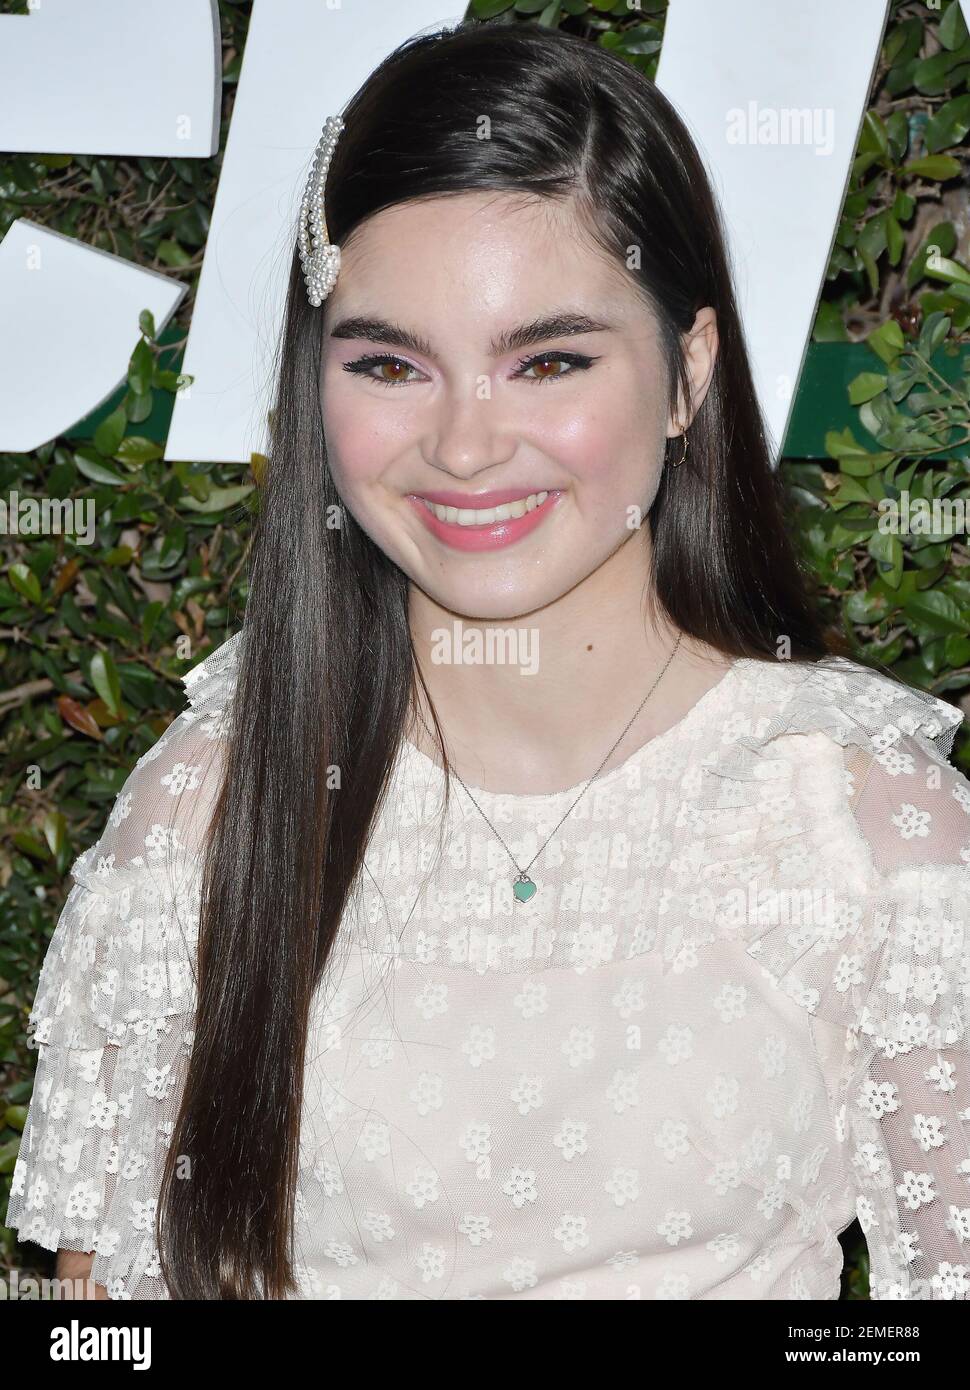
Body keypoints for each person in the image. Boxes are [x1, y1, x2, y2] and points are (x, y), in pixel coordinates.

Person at [6, 20, 970, 1302]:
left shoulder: (862, 825)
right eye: (391, 363)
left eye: (549, 359)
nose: (464, 446)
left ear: (687, 373)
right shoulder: (209, 801)